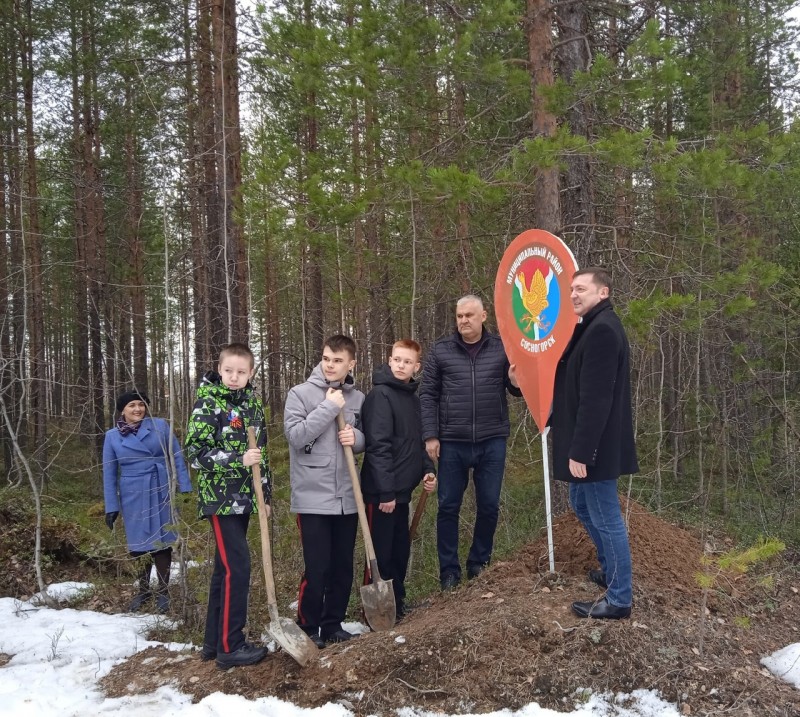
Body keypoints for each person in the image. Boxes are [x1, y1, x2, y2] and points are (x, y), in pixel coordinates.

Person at [550, 267, 638, 620]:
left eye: (582, 289)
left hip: (596, 445)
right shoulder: (590, 326)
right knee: (581, 502)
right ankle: (610, 569)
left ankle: (619, 598)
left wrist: (583, 450)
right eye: (571, 289)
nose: (574, 294)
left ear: (603, 293)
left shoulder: (602, 330)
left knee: (604, 514)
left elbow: (597, 398)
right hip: (588, 440)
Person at [420, 295, 521, 590]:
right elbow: (427, 395)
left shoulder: (502, 348)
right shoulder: (441, 351)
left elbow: (515, 391)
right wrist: (430, 435)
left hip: (492, 440)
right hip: (452, 442)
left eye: (469, 315)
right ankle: (449, 572)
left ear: (483, 316)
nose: (463, 320)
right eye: (459, 315)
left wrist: (516, 382)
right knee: (448, 506)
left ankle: (479, 563)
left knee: (489, 505)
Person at [185, 342, 272, 669]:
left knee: (224, 571)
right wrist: (238, 459)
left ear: (250, 374)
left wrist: (265, 497)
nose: (234, 377)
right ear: (219, 370)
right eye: (228, 371)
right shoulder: (208, 404)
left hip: (247, 499)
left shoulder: (252, 404)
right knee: (238, 567)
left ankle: (212, 644)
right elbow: (195, 455)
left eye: (241, 372)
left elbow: (260, 457)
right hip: (219, 500)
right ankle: (230, 646)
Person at [284, 334, 365, 647]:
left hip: (347, 495)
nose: (330, 366)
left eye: (338, 361)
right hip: (312, 496)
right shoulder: (300, 394)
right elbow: (297, 437)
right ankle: (308, 626)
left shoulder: (358, 398)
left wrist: (355, 438)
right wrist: (329, 408)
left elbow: (365, 440)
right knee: (317, 567)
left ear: (351, 364)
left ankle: (333, 624)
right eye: (327, 359)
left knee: (343, 566)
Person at [360, 339, 437, 620]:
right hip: (382, 495)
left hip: (402, 492)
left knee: (399, 551)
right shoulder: (380, 396)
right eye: (397, 360)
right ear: (390, 360)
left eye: (407, 361)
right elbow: (378, 446)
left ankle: (397, 603)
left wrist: (428, 470)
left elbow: (418, 442)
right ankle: (375, 614)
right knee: (379, 554)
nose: (401, 365)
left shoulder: (412, 399)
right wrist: (386, 492)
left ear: (416, 366)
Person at [103, 390, 192, 614]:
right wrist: (112, 506)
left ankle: (163, 591)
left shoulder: (160, 426)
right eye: (132, 405)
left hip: (161, 487)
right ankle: (143, 590)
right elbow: (109, 473)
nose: (137, 409)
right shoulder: (112, 436)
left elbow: (177, 456)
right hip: (133, 493)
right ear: (122, 409)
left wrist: (185, 487)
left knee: (162, 540)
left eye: (141, 404)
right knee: (139, 545)